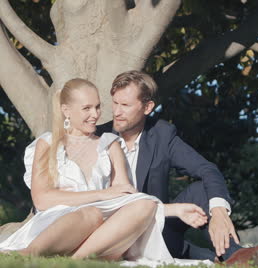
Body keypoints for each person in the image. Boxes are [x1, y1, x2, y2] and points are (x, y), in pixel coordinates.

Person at [0, 78, 208, 263]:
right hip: (57, 224)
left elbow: (126, 197)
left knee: (143, 205)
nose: (95, 115)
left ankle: (76, 260)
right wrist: (101, 194)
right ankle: (29, 253)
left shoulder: (109, 143)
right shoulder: (47, 143)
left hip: (99, 231)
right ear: (66, 111)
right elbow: (42, 200)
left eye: (98, 107)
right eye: (87, 108)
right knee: (91, 214)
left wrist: (175, 209)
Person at [97, 70, 258, 265]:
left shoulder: (162, 135)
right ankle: (235, 258)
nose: (117, 112)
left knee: (203, 191)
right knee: (201, 256)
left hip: (158, 228)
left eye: (125, 105)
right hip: (113, 233)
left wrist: (218, 210)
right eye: (115, 103)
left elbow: (207, 169)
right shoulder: (97, 137)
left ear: (148, 107)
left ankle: (235, 256)